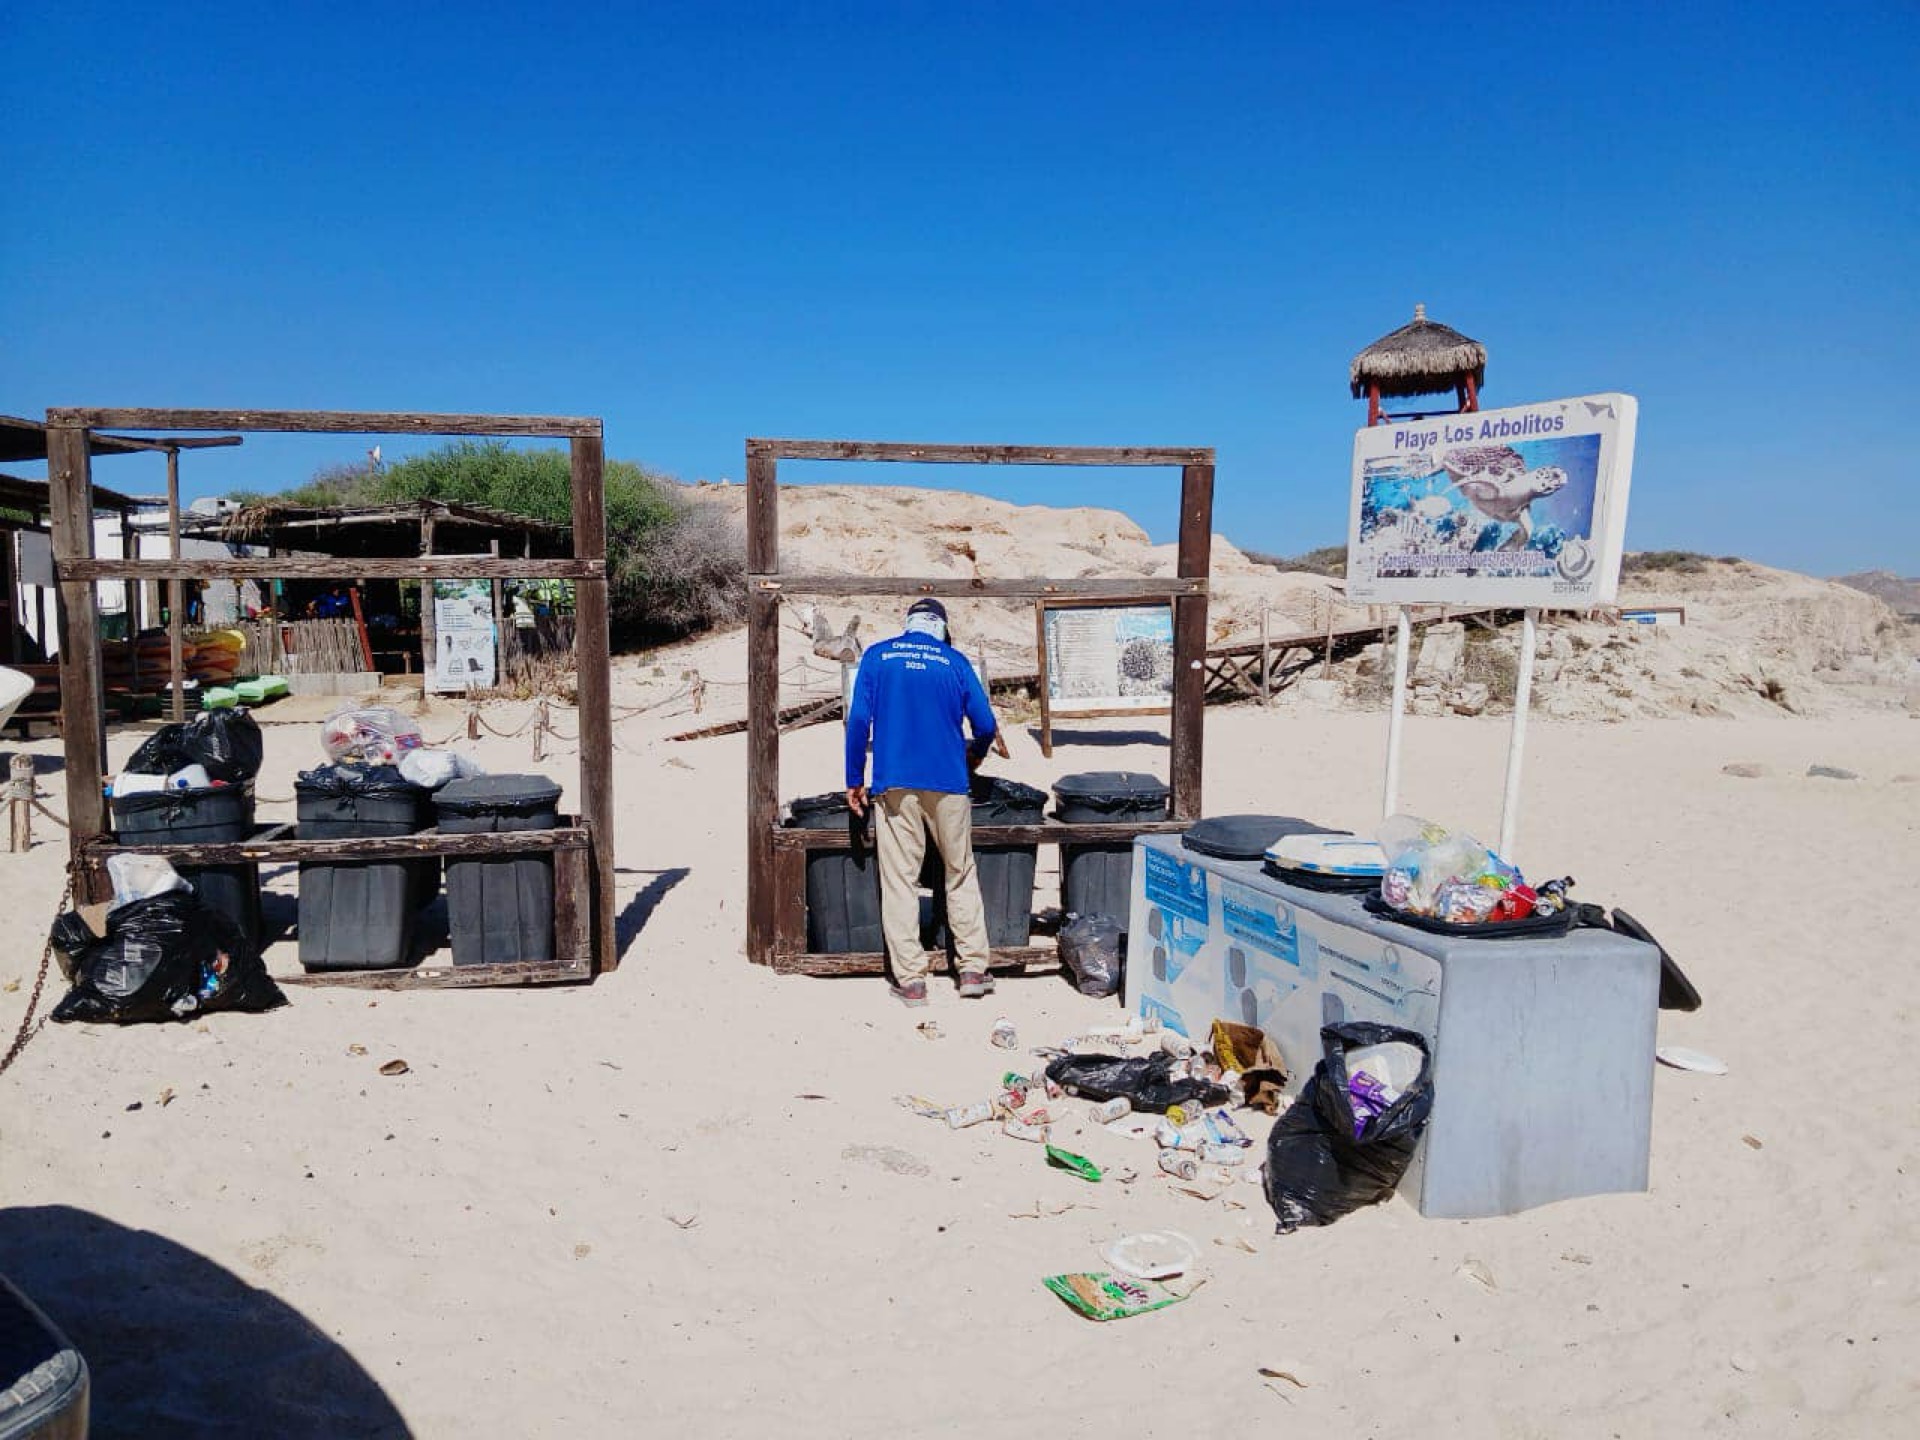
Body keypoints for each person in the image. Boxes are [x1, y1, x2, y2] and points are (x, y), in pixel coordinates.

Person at [845, 598, 998, 1006]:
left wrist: (853, 778)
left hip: (894, 781)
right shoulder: (955, 661)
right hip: (949, 781)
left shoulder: (879, 656)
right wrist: (976, 753)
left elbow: (858, 720)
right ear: (942, 629)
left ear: (908, 624)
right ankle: (971, 969)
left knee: (900, 880)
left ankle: (911, 979)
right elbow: (985, 724)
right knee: (959, 873)